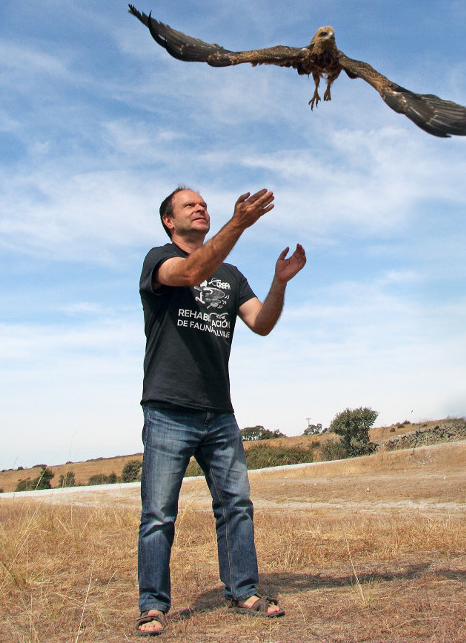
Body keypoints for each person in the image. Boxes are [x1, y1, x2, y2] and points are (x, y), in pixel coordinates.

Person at [135, 186, 306, 636]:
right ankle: (153, 605)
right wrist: (239, 224)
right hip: (168, 410)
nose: (201, 207)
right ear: (169, 221)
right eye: (189, 205)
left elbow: (262, 324)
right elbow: (191, 272)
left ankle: (243, 590)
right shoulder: (158, 260)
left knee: (236, 505)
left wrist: (279, 283)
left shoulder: (231, 275)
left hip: (219, 413)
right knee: (158, 513)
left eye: (204, 204)